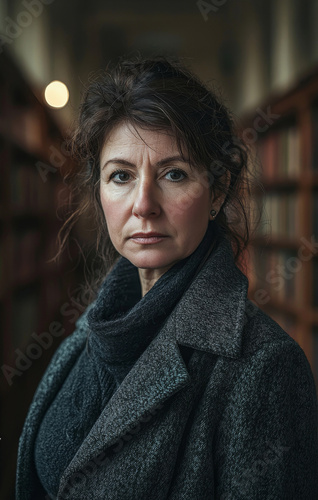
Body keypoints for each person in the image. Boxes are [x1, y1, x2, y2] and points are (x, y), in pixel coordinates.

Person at [16, 57, 318, 500]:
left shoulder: (267, 367)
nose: (143, 204)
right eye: (121, 176)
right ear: (99, 192)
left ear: (217, 192)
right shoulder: (95, 325)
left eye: (173, 174)